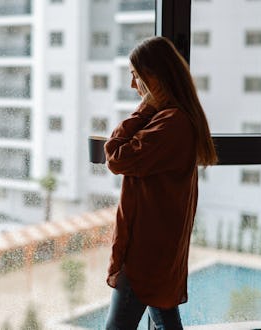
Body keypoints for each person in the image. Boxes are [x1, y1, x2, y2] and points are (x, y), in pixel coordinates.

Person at [104, 36, 218, 329]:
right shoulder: (175, 119)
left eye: (136, 76)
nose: (133, 86)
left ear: (154, 76)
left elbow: (116, 156)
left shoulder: (171, 124)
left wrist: (145, 107)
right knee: (166, 320)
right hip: (160, 245)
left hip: (147, 251)